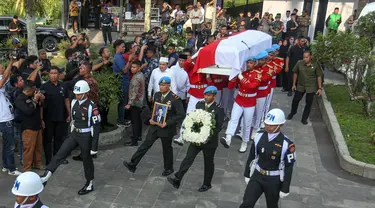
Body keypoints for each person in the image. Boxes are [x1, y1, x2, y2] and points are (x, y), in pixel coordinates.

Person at [40, 80, 101, 195]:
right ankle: (46, 176)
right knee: (60, 153)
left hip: (86, 136)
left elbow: (96, 127)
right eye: (76, 94)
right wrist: (70, 133)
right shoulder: (73, 102)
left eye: (79, 94)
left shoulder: (91, 106)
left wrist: (94, 147)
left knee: (87, 160)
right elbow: (72, 121)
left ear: (85, 93)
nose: (77, 96)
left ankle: (89, 184)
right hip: (74, 134)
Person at [123, 76, 185, 176]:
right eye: (160, 85)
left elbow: (181, 114)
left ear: (169, 86)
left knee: (167, 149)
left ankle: (169, 168)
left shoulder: (174, 99)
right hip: (155, 126)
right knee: (145, 145)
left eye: (164, 85)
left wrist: (168, 122)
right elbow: (154, 109)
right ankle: (133, 163)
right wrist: (151, 119)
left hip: (166, 128)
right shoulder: (157, 95)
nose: (161, 87)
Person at [167, 86, 224, 192]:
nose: (206, 97)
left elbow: (218, 127)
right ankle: (177, 178)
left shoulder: (219, 109)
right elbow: (194, 118)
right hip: (197, 139)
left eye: (209, 95)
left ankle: (207, 184)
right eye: (205, 95)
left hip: (209, 142)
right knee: (188, 157)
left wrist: (207, 136)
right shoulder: (200, 104)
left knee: (208, 162)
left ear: (214, 96)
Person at [240, 108, 296, 208]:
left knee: (272, 205)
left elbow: (288, 168)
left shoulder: (286, 144)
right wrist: (247, 174)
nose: (268, 126)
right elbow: (252, 156)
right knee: (247, 203)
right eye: (266, 124)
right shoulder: (258, 136)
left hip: (273, 180)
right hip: (257, 175)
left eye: (271, 125)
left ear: (280, 125)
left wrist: (285, 188)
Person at [221, 56, 261, 153]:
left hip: (250, 101)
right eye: (248, 62)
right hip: (239, 99)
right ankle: (228, 138)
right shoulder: (243, 73)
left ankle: (245, 141)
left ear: (255, 64)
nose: (248, 64)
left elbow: (252, 86)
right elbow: (231, 86)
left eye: (251, 63)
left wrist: (241, 77)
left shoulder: (257, 74)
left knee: (247, 123)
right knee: (233, 119)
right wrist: (233, 77)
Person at [40, 67, 70, 166]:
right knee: (48, 139)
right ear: (49, 75)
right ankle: (49, 160)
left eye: (55, 73)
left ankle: (58, 158)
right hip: (48, 117)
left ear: (58, 75)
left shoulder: (63, 85)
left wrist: (69, 113)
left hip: (61, 116)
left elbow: (66, 100)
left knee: (59, 138)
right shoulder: (44, 86)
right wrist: (41, 119)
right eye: (51, 73)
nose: (53, 75)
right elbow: (41, 104)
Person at [15, 80, 44, 172]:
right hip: (28, 128)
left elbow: (40, 107)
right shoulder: (20, 99)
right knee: (29, 149)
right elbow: (28, 111)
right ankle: (27, 168)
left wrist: (41, 99)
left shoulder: (33, 95)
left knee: (38, 147)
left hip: (37, 125)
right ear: (29, 89)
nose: (35, 90)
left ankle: (38, 164)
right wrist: (35, 100)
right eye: (34, 89)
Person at [287, 51, 323, 125]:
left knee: (309, 103)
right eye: (304, 57)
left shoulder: (316, 64)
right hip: (301, 85)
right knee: (295, 100)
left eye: (307, 57)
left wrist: (320, 88)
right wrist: (294, 84)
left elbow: (319, 76)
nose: (305, 59)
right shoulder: (299, 63)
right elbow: (295, 73)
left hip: (311, 86)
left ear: (310, 57)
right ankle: (293, 112)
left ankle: (304, 118)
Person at [0, 57, 22, 176]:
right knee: (10, 145)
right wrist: (11, 62)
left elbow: (6, 76)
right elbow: (4, 78)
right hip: (3, 118)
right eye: (1, 67)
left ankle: (5, 165)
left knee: (6, 144)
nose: (3, 69)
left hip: (5, 117)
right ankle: (11, 169)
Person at [250, 51, 273, 140]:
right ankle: (251, 126)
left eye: (261, 60)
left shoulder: (269, 69)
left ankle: (256, 129)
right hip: (254, 92)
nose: (259, 62)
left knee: (259, 112)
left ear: (265, 60)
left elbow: (263, 79)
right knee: (252, 112)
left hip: (262, 93)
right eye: (258, 60)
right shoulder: (256, 67)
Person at [124, 60, 145, 146]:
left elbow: (135, 92)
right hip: (139, 101)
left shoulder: (137, 78)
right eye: (131, 67)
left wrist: (129, 103)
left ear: (139, 68)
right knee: (138, 120)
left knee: (135, 121)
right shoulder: (140, 75)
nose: (132, 69)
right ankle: (138, 136)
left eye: (134, 67)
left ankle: (134, 140)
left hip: (135, 102)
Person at [112, 39, 131, 127]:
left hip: (124, 82)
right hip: (122, 82)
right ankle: (120, 120)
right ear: (117, 47)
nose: (124, 48)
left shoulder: (119, 56)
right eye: (122, 47)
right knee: (123, 102)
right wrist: (129, 61)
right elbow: (124, 70)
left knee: (124, 102)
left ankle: (122, 118)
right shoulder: (118, 57)